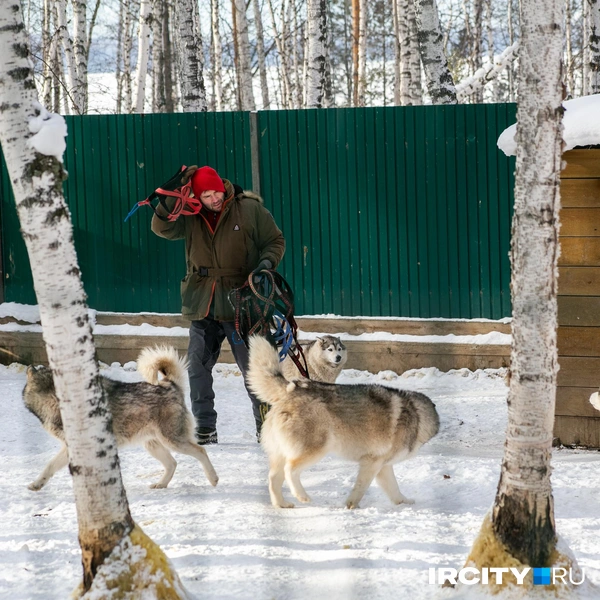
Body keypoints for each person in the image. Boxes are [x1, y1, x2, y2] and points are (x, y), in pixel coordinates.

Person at [151, 165, 285, 444]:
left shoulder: (248, 209)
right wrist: (172, 196)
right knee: (197, 367)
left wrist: (265, 265)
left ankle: (268, 427)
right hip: (203, 302)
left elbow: (275, 240)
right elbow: (160, 228)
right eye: (206, 195)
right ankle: (204, 427)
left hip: (243, 301)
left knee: (255, 368)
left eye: (217, 192)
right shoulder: (189, 213)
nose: (214, 199)